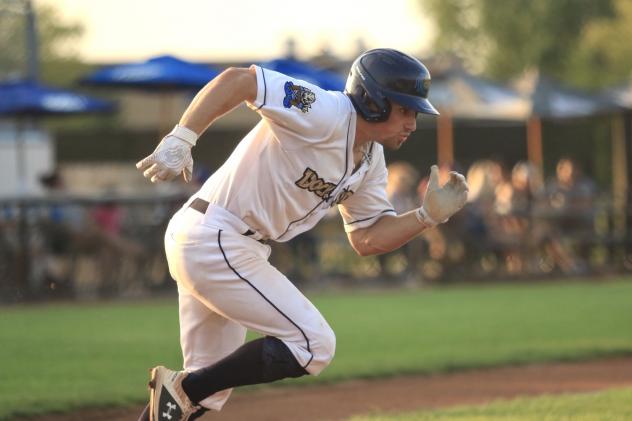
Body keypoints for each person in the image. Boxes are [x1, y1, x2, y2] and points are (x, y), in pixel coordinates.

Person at [135, 48, 469, 421]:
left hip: (228, 245)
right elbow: (240, 80)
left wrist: (425, 217)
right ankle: (184, 388)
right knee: (314, 344)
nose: (413, 123)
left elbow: (367, 239)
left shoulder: (372, 161)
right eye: (406, 110)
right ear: (374, 102)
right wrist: (184, 136)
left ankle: (183, 391)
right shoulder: (323, 111)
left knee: (202, 397)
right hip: (214, 235)